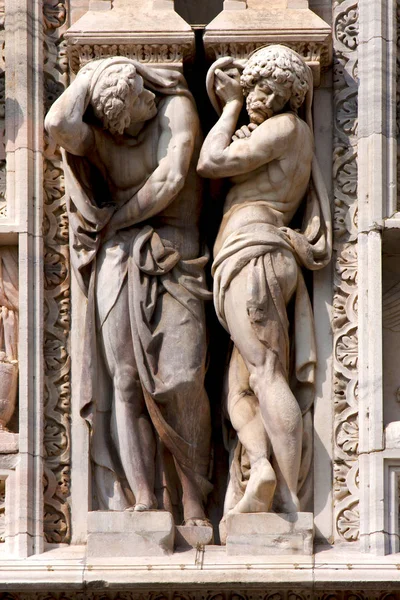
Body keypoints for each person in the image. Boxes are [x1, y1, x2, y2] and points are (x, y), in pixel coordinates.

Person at [45, 57, 212, 525]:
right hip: (118, 257)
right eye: (136, 98)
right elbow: (57, 122)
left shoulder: (175, 106)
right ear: (115, 121)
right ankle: (145, 499)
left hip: (177, 250)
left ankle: (195, 493)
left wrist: (125, 69)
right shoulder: (97, 141)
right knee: (124, 380)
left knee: (181, 378)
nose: (146, 97)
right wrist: (89, 77)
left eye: (142, 88)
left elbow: (174, 176)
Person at [198, 45, 331, 518]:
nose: (257, 95)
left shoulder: (284, 127)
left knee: (267, 373)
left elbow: (210, 161)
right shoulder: (286, 135)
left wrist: (230, 102)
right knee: (238, 390)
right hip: (251, 259)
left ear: (292, 95)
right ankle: (261, 468)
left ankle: (290, 507)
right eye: (253, 85)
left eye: (268, 88)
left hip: (253, 255)